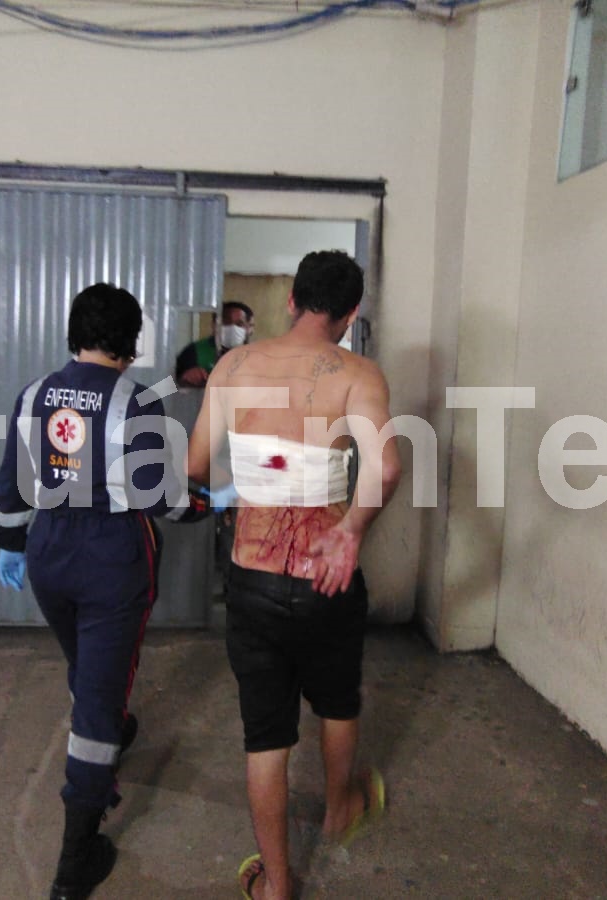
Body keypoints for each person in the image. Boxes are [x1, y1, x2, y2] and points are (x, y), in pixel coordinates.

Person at [186, 251, 401, 900]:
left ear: (290, 300)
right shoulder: (357, 373)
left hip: (252, 578)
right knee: (337, 701)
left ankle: (277, 884)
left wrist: (245, 481)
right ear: (351, 313)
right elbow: (386, 468)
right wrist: (350, 530)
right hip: (326, 578)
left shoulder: (232, 367)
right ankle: (341, 807)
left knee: (266, 737)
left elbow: (195, 467)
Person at [0, 283, 212, 900]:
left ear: (74, 333)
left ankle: (114, 719)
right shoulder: (133, 401)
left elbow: (14, 479)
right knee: (94, 703)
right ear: (130, 341)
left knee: (88, 668)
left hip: (48, 553)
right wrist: (209, 505)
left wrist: (11, 541)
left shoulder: (34, 394)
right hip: (110, 557)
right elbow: (159, 496)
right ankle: (76, 860)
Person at [175, 300, 255, 388]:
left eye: (240, 324)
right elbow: (163, 389)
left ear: (249, 329)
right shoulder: (194, 351)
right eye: (226, 322)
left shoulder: (258, 356)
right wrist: (182, 379)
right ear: (214, 325)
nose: (233, 327)